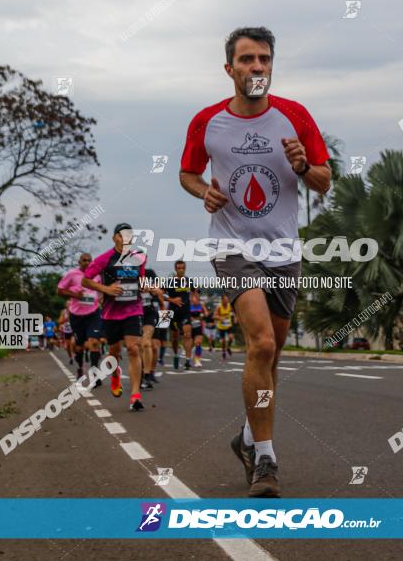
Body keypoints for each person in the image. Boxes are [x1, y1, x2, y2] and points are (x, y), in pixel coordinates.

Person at [178, 27, 331, 497]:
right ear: (230, 69)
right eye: (247, 59)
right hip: (233, 247)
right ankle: (265, 458)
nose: (257, 67)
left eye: (264, 58)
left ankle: (247, 438)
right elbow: (187, 173)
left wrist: (304, 165)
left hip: (283, 250)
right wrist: (206, 192)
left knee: (272, 354)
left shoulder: (295, 116)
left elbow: (325, 182)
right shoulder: (207, 122)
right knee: (261, 343)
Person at [82, 223, 150, 412]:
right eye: (122, 235)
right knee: (114, 352)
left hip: (133, 309)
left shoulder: (139, 257)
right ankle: (115, 375)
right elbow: (85, 280)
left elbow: (142, 277)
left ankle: (135, 395)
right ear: (115, 238)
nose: (126, 238)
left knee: (133, 348)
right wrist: (106, 289)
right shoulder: (104, 259)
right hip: (111, 312)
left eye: (129, 234)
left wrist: (143, 285)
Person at [57, 253, 103, 381]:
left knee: (94, 342)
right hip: (76, 315)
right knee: (79, 346)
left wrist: (100, 299)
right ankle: (79, 367)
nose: (87, 262)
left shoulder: (97, 275)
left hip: (93, 313)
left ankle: (94, 374)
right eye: (84, 260)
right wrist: (75, 294)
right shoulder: (72, 274)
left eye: (89, 260)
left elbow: (101, 291)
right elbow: (59, 290)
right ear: (79, 262)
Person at [139, 267, 166, 388]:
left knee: (154, 346)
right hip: (137, 313)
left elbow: (159, 293)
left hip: (153, 313)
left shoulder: (150, 273)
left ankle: (150, 373)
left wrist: (164, 320)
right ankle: (143, 373)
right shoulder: (130, 274)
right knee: (142, 345)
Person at [166, 260, 196, 369]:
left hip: (185, 312)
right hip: (173, 313)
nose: (181, 270)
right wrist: (172, 299)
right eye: (179, 268)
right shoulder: (169, 282)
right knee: (175, 338)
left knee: (187, 335)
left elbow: (195, 291)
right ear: (175, 269)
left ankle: (188, 360)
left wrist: (194, 297)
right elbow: (160, 294)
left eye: (183, 268)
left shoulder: (189, 281)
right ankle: (175, 355)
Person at [188, 290, 210, 368]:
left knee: (198, 342)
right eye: (194, 295)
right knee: (190, 344)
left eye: (198, 295)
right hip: (190, 327)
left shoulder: (201, 305)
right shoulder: (188, 305)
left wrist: (203, 315)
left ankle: (197, 360)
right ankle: (188, 358)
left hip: (198, 326)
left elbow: (206, 313)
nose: (196, 297)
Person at [213, 293, 236, 361]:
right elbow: (214, 316)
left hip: (228, 325)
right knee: (223, 341)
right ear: (222, 300)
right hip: (221, 327)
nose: (227, 301)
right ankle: (223, 353)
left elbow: (234, 312)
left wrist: (235, 318)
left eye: (227, 300)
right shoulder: (219, 307)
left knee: (231, 337)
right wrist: (220, 318)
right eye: (225, 300)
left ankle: (228, 348)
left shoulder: (229, 306)